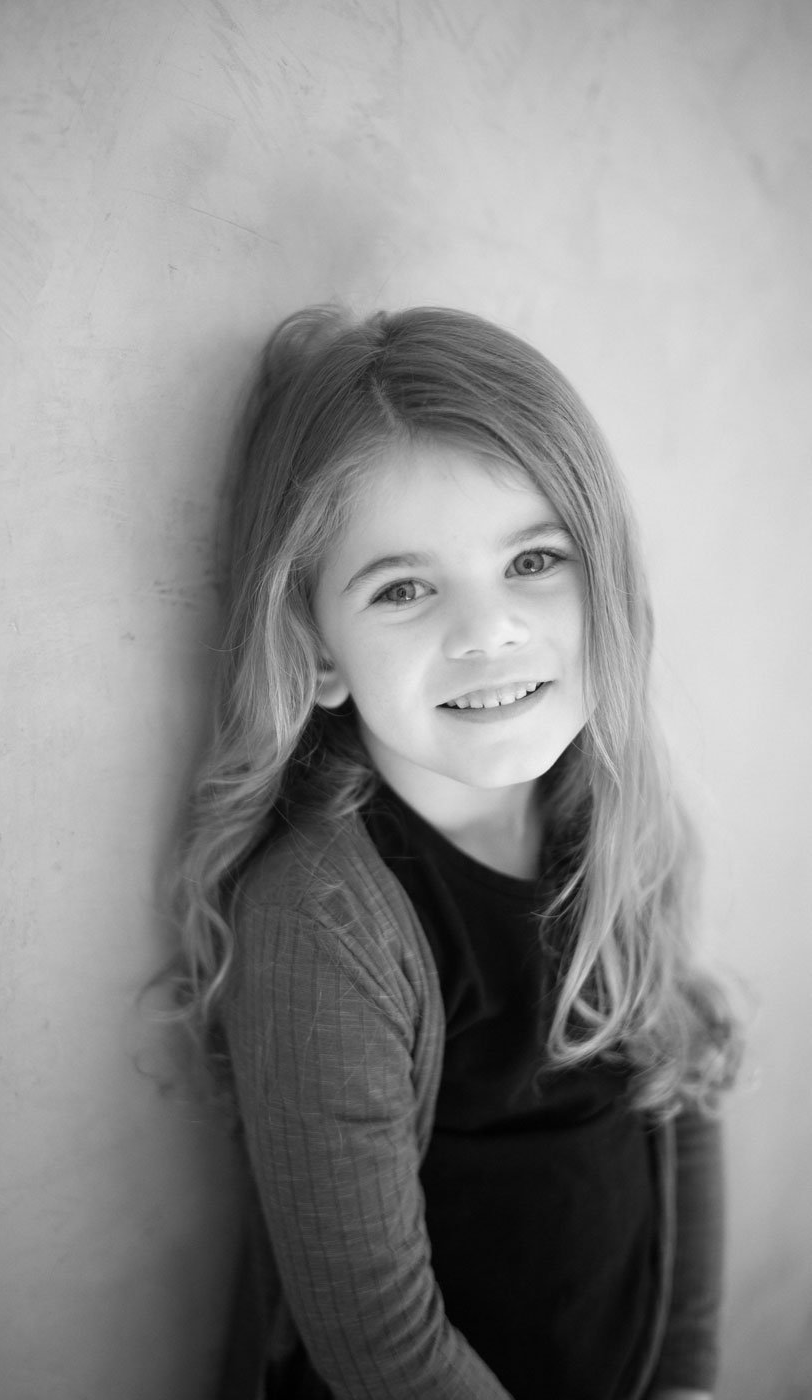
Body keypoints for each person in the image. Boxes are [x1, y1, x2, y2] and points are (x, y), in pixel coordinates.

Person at [171, 305, 742, 1400]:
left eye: (533, 558)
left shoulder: (618, 819)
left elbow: (685, 1090)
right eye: (403, 587)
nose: (488, 632)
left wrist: (686, 1380)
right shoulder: (324, 921)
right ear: (318, 653)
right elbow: (377, 1339)